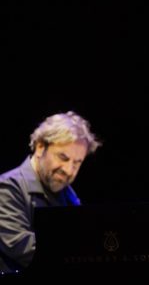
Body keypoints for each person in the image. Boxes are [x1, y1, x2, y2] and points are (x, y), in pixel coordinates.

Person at [0, 111, 101, 274]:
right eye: (63, 157)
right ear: (40, 147)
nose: (69, 170)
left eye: (77, 163)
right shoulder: (6, 188)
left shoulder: (68, 195)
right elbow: (24, 250)